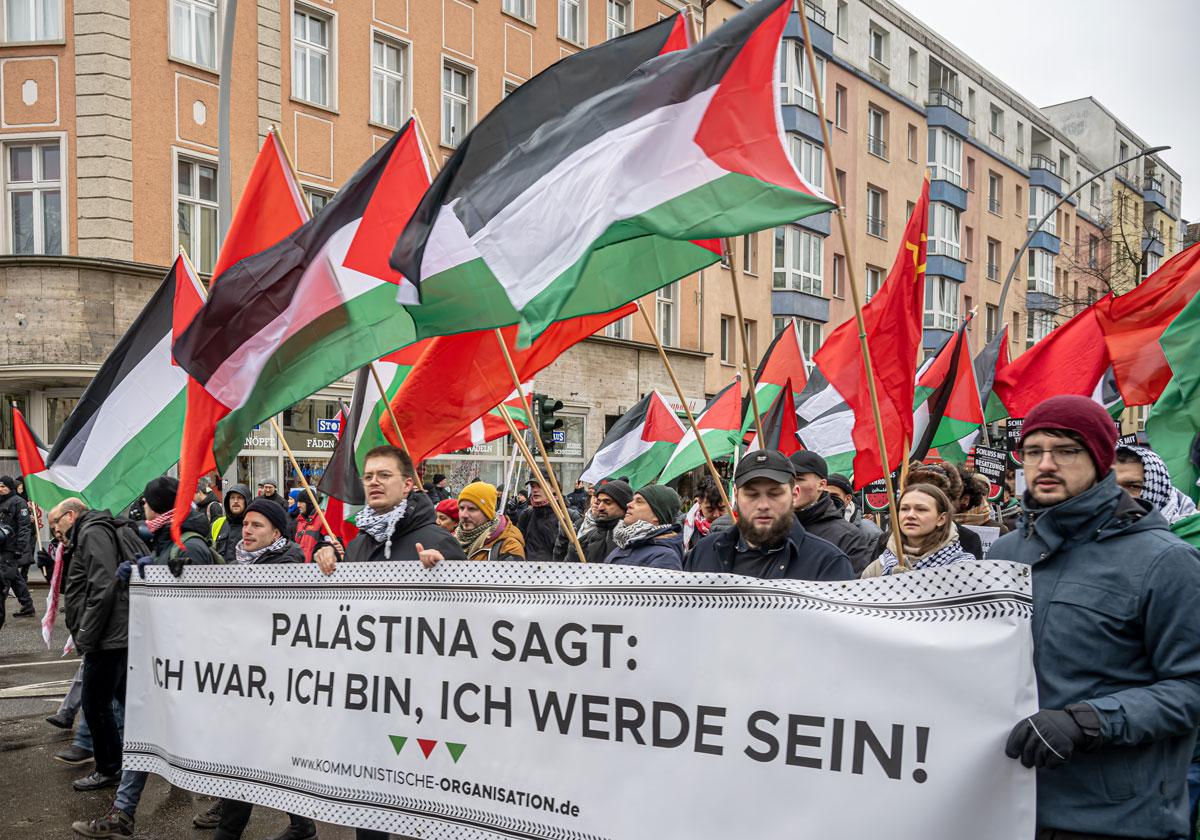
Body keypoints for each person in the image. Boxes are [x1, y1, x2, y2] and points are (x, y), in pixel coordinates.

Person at [988, 395, 1200, 840]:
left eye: (1066, 450)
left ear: (1100, 460)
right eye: (1032, 451)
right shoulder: (1006, 552)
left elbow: (1191, 688)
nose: (1046, 464)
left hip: (1113, 819)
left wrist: (1087, 721)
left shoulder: (1166, 562)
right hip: (1007, 805)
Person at [55, 497, 132, 793]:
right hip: (109, 634)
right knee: (126, 700)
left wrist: (86, 632)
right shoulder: (86, 533)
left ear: (70, 515)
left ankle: (109, 768)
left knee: (95, 704)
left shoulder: (91, 532)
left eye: (56, 522)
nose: (54, 529)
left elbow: (103, 585)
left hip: (106, 637)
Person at [688, 451, 853, 581]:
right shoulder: (704, 552)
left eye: (774, 494)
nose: (763, 505)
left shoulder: (827, 562)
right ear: (736, 495)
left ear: (794, 494)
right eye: (752, 495)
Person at [314, 445, 464, 570]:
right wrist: (330, 562)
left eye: (384, 475)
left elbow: (467, 601)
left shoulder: (439, 543)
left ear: (407, 485)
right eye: (368, 477)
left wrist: (445, 571)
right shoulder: (356, 546)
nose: (373, 482)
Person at [860, 484, 975, 577]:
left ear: (941, 519)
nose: (910, 515)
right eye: (904, 509)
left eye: (921, 509)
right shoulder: (876, 569)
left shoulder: (963, 569)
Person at [790, 452, 877, 574]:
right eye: (789, 479)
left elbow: (852, 587)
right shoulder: (772, 527)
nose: (793, 487)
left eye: (799, 479)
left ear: (821, 484)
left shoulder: (848, 536)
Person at [422, 483, 525, 567]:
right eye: (461, 508)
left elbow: (507, 590)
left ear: (487, 513)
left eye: (472, 509)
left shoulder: (509, 545)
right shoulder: (451, 539)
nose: (464, 515)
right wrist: (439, 564)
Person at [603, 485, 684, 570]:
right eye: (632, 500)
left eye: (639, 501)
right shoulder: (626, 543)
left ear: (657, 515)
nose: (628, 504)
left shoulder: (665, 557)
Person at [1115, 444, 1198, 524]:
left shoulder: (1190, 533)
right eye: (1111, 486)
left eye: (1133, 486)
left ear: (1157, 489)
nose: (1118, 495)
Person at [565, 480, 631, 564]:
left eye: (607, 502)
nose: (600, 507)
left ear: (623, 505)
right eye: (599, 502)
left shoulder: (634, 539)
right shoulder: (586, 540)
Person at [0, 474, 35, 617]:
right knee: (15, 577)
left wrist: (20, 548)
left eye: (3, 486)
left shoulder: (18, 502)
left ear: (10, 488)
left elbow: (24, 527)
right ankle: (27, 605)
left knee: (3, 579)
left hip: (11, 548)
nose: (0, 489)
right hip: (2, 547)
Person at [826, 473, 882, 543]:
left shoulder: (870, 532)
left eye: (834, 495)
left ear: (848, 499)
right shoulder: (812, 525)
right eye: (825, 495)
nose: (829, 500)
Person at [515, 479, 560, 563]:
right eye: (532, 486)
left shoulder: (566, 517)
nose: (535, 490)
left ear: (553, 488)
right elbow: (518, 543)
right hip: (529, 570)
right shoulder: (527, 515)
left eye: (540, 486)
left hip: (555, 571)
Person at [682, 479, 728, 552]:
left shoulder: (738, 523)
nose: (716, 515)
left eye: (721, 508)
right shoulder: (685, 525)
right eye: (710, 509)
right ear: (699, 502)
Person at [213, 484, 251, 565]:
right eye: (232, 497)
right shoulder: (218, 523)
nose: (235, 501)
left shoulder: (253, 525)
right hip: (219, 575)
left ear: (247, 501)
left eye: (240, 498)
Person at [292, 494, 323, 561]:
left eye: (301, 502)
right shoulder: (298, 521)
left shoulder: (322, 519)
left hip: (316, 567)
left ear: (310, 503)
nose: (298, 505)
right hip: (300, 567)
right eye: (297, 502)